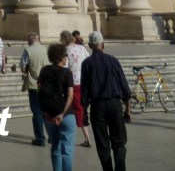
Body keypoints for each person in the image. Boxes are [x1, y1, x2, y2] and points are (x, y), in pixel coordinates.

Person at [80, 31, 131, 171]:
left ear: (90, 45)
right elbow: (125, 88)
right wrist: (128, 109)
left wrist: (84, 113)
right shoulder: (113, 60)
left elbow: (84, 91)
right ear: (103, 44)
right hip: (114, 104)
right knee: (119, 142)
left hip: (98, 107)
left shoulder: (86, 64)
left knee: (103, 144)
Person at [37, 43, 76, 171]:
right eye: (65, 55)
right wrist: (62, 114)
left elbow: (40, 93)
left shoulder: (44, 70)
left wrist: (45, 112)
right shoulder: (67, 72)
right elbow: (70, 97)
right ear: (60, 57)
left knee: (55, 147)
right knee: (67, 151)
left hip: (49, 115)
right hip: (66, 115)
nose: (67, 58)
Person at [60, 29, 92, 147]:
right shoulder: (81, 48)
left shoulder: (66, 51)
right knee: (79, 107)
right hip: (83, 81)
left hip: (73, 83)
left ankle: (87, 138)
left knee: (77, 108)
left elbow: (64, 67)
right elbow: (88, 60)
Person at [21, 32, 50, 146]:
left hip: (34, 84)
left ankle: (40, 138)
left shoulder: (28, 50)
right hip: (47, 85)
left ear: (30, 41)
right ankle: (52, 136)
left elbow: (23, 66)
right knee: (47, 111)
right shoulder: (47, 50)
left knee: (37, 112)